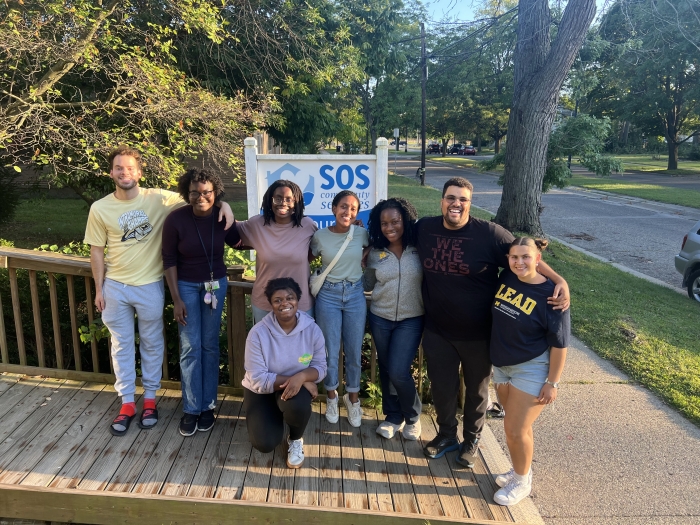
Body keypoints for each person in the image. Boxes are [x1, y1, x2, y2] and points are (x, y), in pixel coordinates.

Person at [414, 177, 569, 467]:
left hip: (480, 334)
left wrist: (558, 279)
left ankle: (472, 440)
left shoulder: (489, 234)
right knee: (442, 388)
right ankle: (446, 434)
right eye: (450, 198)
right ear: (442, 200)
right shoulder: (425, 228)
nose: (455, 204)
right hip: (437, 330)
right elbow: (393, 236)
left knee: (476, 390)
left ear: (470, 203)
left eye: (462, 199)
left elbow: (526, 254)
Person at [84, 145, 233, 436]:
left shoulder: (159, 198)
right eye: (118, 168)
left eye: (129, 168)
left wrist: (224, 204)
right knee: (121, 345)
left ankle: (150, 400)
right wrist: (99, 288)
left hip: (150, 284)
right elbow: (97, 252)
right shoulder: (99, 208)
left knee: (152, 344)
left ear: (139, 172)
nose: (124, 173)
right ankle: (127, 402)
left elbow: (201, 195)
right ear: (111, 172)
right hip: (115, 286)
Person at [490, 237, 570, 506]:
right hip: (502, 366)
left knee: (514, 428)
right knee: (518, 428)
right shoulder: (507, 278)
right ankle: (518, 470)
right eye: (514, 257)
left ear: (538, 259)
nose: (519, 262)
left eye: (526, 257)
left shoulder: (552, 296)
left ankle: (522, 483)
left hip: (531, 368)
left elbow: (560, 345)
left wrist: (553, 382)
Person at [162, 169, 241, 436]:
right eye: (195, 192)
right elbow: (169, 260)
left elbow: (242, 240)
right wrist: (176, 299)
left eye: (206, 192)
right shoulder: (176, 220)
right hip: (185, 285)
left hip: (215, 285)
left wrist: (229, 212)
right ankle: (191, 408)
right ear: (187, 193)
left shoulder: (222, 218)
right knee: (189, 347)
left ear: (215, 193)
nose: (200, 197)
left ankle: (207, 406)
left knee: (209, 346)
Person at [242, 278, 326, 469]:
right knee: (264, 444)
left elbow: (320, 367)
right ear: (271, 305)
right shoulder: (258, 333)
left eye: (290, 298)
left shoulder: (312, 330)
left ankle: (295, 438)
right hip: (260, 390)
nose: (285, 303)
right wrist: (298, 380)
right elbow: (257, 379)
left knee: (298, 406)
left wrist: (303, 377)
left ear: (298, 300)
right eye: (277, 300)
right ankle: (274, 415)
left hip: (292, 392)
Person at [365, 197, 424, 440]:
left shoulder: (419, 248)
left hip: (412, 318)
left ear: (406, 220)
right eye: (384, 223)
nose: (390, 227)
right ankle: (392, 416)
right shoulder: (374, 253)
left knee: (399, 369)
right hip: (380, 316)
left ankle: (412, 416)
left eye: (395, 221)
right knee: (387, 368)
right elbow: (367, 283)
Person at [311, 190, 369, 428]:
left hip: (355, 294)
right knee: (329, 350)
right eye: (343, 207)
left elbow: (373, 247)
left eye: (353, 208)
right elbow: (307, 256)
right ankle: (332, 396)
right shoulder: (320, 236)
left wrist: (364, 256)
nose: (348, 212)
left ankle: (353, 398)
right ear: (334, 209)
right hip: (328, 296)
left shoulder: (362, 233)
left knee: (355, 351)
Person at [235, 180, 317, 323]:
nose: (282, 203)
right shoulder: (256, 224)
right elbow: (229, 228)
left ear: (296, 202)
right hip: (265, 304)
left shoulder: (308, 225)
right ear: (269, 200)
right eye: (277, 198)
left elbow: (323, 245)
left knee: (301, 345)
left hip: (300, 303)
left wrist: (351, 229)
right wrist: (222, 206)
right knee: (266, 345)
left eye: (288, 199)